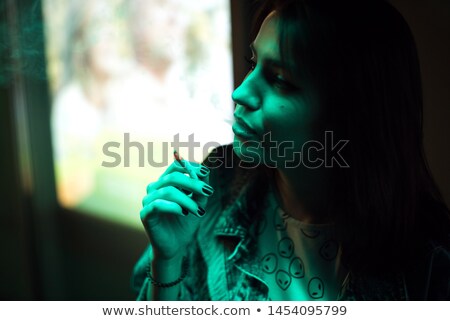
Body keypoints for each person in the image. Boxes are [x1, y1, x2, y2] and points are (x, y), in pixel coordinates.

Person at [132, 0, 450, 300]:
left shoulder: (431, 263)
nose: (240, 93)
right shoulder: (217, 182)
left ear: (353, 115)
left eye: (280, 80)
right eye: (252, 63)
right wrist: (167, 261)